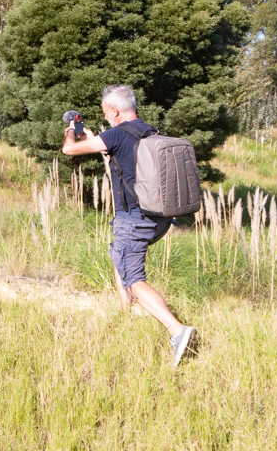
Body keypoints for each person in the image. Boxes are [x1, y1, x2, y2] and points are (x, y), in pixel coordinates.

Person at [62, 84, 196, 368]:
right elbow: (121, 157)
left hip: (134, 220)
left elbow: (69, 150)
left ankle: (177, 331)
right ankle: (125, 317)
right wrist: (99, 139)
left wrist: (71, 130)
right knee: (117, 256)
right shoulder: (147, 130)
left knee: (134, 280)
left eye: (106, 113)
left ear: (113, 110)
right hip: (159, 218)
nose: (107, 117)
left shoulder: (115, 134)